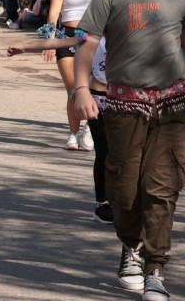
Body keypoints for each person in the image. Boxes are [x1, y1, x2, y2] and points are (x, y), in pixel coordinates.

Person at [73, 0, 185, 300]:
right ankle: (131, 246)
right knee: (124, 191)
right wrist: (81, 88)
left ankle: (156, 268)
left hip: (173, 109)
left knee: (162, 188)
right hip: (124, 108)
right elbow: (86, 47)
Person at [7, 34, 113, 225]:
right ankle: (103, 204)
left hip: (127, 98)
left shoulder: (134, 28)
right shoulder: (93, 33)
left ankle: (125, 200)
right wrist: (25, 47)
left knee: (125, 152)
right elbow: (62, 41)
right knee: (104, 151)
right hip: (98, 98)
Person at [42, 0, 103, 151]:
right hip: (67, 38)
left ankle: (89, 128)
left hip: (93, 40)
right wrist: (50, 40)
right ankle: (73, 133)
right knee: (74, 89)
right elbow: (53, 14)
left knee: (93, 89)